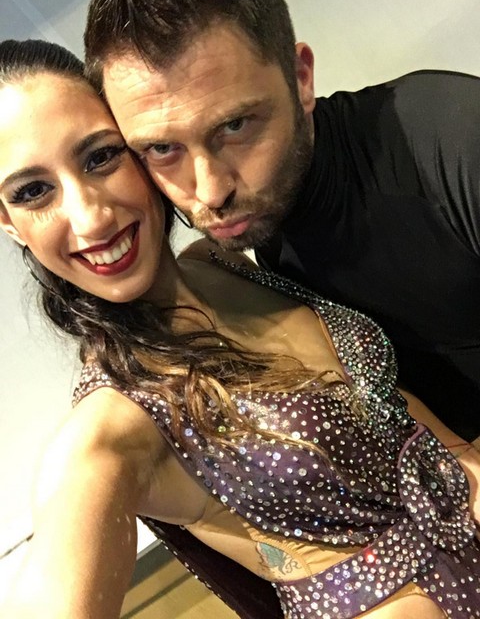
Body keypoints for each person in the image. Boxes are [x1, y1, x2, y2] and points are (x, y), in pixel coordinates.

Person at [0, 39, 479, 619]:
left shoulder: (219, 261)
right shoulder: (111, 424)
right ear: (8, 220)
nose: (90, 216)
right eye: (33, 192)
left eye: (100, 157)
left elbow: (407, 423)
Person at [84, 0, 480, 446]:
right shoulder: (258, 241)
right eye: (161, 148)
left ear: (301, 77)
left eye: (235, 125)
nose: (211, 192)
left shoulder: (451, 142)